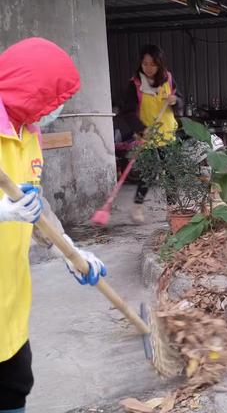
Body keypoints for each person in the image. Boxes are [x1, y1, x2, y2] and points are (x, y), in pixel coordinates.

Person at [0, 38, 107, 412]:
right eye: (54, 99)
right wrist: (1, 211)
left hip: (8, 304)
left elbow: (36, 205)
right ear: (31, 91)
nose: (57, 110)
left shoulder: (29, 133)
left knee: (14, 387)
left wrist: (69, 250)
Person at [113, 44, 184, 224]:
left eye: (153, 64)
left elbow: (180, 99)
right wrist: (141, 129)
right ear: (141, 64)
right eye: (145, 64)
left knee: (170, 173)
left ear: (160, 64)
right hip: (147, 134)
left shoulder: (168, 78)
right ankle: (137, 207)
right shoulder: (135, 84)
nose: (149, 68)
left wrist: (175, 101)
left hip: (167, 133)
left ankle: (172, 209)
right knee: (149, 172)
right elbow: (127, 111)